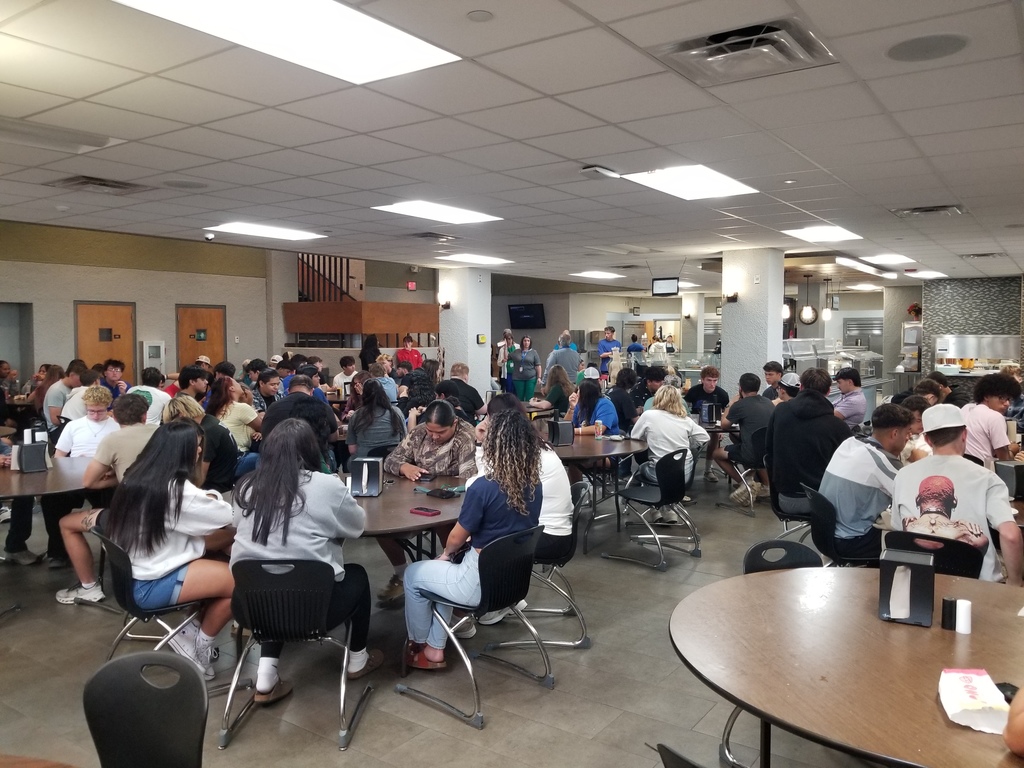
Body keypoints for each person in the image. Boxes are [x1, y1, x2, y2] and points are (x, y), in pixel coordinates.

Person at [231, 419, 383, 702]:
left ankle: (266, 674)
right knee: (357, 575)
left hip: (251, 608)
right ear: (312, 450)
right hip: (314, 609)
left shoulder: (247, 488)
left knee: (274, 577)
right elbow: (356, 526)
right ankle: (358, 658)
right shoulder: (325, 486)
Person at [402, 409, 542, 669]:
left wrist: (445, 554)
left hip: (476, 583)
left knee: (413, 575)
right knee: (442, 573)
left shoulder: (483, 488)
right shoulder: (533, 484)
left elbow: (456, 537)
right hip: (511, 581)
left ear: (494, 445)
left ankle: (418, 645)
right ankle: (434, 649)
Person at [104, 419, 235, 679]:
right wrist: (213, 496)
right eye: (197, 446)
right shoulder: (176, 492)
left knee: (220, 553)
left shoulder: (137, 476)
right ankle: (199, 646)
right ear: (181, 451)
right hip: (151, 585)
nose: (199, 452)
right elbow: (226, 515)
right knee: (243, 583)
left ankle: (189, 633)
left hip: (137, 575)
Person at [891, 404, 1022, 585]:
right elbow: (1011, 536)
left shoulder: (903, 476)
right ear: (964, 434)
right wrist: (1015, 585)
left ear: (928, 439)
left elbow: (899, 532)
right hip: (979, 589)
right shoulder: (987, 479)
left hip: (920, 585)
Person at [54, 393, 158, 604]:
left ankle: (89, 586)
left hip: (133, 512)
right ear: (145, 415)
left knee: (66, 523)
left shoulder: (113, 439)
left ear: (115, 417)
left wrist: (117, 478)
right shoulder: (165, 434)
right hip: (166, 507)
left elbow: (89, 483)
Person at [376, 400, 478, 604]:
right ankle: (402, 573)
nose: (433, 436)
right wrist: (404, 467)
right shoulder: (419, 432)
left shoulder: (465, 435)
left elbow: (469, 478)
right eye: (430, 431)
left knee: (445, 525)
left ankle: (452, 576)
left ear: (454, 424)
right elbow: (390, 460)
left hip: (449, 500)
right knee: (381, 525)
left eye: (440, 432)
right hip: (414, 496)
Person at [819, 404, 912, 560]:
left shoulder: (849, 443)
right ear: (895, 433)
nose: (908, 438)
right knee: (917, 540)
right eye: (908, 433)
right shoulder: (881, 461)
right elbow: (913, 497)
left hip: (825, 533)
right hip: (851, 541)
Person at [766, 368, 851, 515]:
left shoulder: (780, 411)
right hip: (822, 501)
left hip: (784, 498)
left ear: (801, 387)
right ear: (829, 391)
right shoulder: (837, 426)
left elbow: (768, 449)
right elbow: (850, 467)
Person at [630, 387, 709, 522]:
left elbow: (635, 437)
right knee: (663, 470)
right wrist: (690, 446)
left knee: (644, 467)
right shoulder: (685, 420)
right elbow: (705, 437)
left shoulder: (649, 415)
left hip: (658, 474)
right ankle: (670, 509)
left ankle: (655, 511)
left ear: (657, 398)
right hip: (684, 475)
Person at [714, 373, 775, 505]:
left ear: (740, 388)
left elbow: (724, 424)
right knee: (735, 437)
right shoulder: (768, 402)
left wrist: (730, 404)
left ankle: (745, 484)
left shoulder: (739, 405)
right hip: (769, 454)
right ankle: (766, 486)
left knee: (716, 453)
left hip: (751, 454)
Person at [683, 366, 730, 482]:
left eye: (715, 381)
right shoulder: (694, 391)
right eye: (709, 380)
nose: (712, 384)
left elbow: (725, 413)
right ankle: (687, 469)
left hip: (714, 424)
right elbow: (685, 409)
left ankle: (708, 469)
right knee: (690, 442)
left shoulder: (722, 394)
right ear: (702, 380)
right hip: (695, 423)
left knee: (714, 436)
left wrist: (721, 429)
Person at [962, 372, 1021, 462]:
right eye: (1002, 398)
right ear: (986, 396)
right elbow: (1004, 461)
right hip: (983, 470)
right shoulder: (995, 417)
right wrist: (1013, 450)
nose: (1007, 404)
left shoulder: (966, 409)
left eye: (1009, 399)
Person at [346, 379, 406, 459]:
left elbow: (352, 450)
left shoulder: (356, 415)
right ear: (383, 393)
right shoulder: (396, 412)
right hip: (393, 461)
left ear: (363, 395)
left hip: (365, 462)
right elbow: (405, 440)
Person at [206, 376, 262, 455]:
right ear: (232, 388)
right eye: (236, 383)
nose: (239, 384)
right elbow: (265, 428)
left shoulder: (217, 408)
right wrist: (250, 403)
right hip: (239, 454)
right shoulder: (241, 408)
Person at [898, 395, 934, 464]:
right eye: (918, 420)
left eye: (925, 420)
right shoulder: (899, 441)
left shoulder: (931, 434)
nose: (922, 424)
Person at [509, 335, 541, 402]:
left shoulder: (534, 352)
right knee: (519, 397)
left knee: (529, 397)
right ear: (522, 342)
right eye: (525, 341)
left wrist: (539, 377)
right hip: (518, 378)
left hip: (531, 378)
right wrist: (505, 346)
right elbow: (506, 357)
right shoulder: (516, 352)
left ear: (530, 342)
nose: (526, 342)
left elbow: (538, 365)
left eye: (528, 341)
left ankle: (529, 411)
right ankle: (521, 411)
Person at [607, 367, 639, 434]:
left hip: (607, 427)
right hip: (618, 430)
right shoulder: (624, 396)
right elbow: (636, 421)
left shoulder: (610, 390)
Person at [496, 329, 517, 394]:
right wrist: (502, 361)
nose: (509, 341)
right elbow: (498, 363)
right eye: (507, 339)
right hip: (507, 372)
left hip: (516, 372)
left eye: (510, 339)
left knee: (516, 389)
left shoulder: (517, 347)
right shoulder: (502, 349)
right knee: (508, 389)